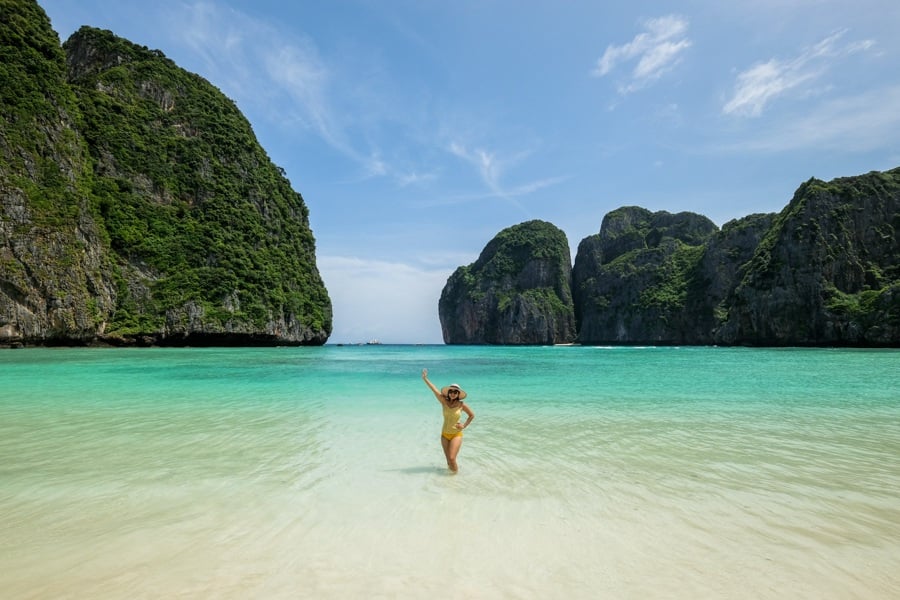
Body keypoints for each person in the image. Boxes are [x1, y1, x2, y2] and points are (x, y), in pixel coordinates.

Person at [421, 368, 474, 473]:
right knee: (448, 461)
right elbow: (434, 389)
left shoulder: (461, 405)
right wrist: (425, 378)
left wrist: (463, 425)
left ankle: (456, 478)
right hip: (444, 435)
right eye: (451, 391)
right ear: (448, 393)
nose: (453, 393)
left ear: (458, 394)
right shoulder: (443, 401)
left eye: (455, 392)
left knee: (452, 458)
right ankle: (449, 481)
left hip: (456, 435)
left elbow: (471, 415)